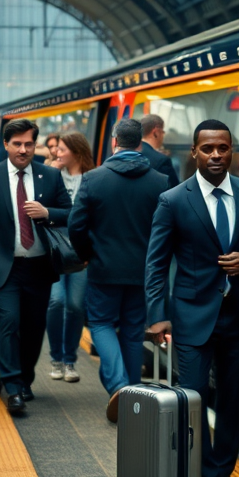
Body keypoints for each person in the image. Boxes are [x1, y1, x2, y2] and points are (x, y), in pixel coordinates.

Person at [146, 119, 239, 477]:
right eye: (207, 149)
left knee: (234, 401)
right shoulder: (173, 200)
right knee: (192, 399)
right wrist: (157, 315)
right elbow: (156, 264)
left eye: (223, 148)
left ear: (231, 150)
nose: (216, 155)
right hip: (191, 316)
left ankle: (222, 474)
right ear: (194, 152)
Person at [0, 119, 72, 417]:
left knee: (34, 327)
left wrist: (49, 212)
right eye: (17, 144)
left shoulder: (50, 176)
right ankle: (11, 386)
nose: (23, 149)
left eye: (29, 144)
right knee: (9, 321)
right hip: (2, 266)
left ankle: (25, 379)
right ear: (6, 145)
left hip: (39, 266)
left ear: (35, 145)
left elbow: (73, 213)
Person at [68, 118, 169, 411]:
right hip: (142, 273)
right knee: (133, 330)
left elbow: (76, 226)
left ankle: (119, 386)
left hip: (103, 268)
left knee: (101, 323)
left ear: (114, 142)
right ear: (140, 144)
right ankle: (133, 393)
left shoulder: (94, 179)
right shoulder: (159, 182)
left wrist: (87, 253)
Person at [45, 131, 94, 383]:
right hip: (54, 250)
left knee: (75, 305)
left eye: (62, 149)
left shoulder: (93, 178)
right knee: (56, 302)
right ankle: (55, 357)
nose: (56, 153)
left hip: (81, 252)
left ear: (76, 151)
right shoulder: (50, 176)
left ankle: (69, 360)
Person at [140, 113, 180, 187]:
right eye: (162, 132)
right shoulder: (162, 161)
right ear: (156, 132)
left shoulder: (128, 154)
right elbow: (174, 190)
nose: (163, 136)